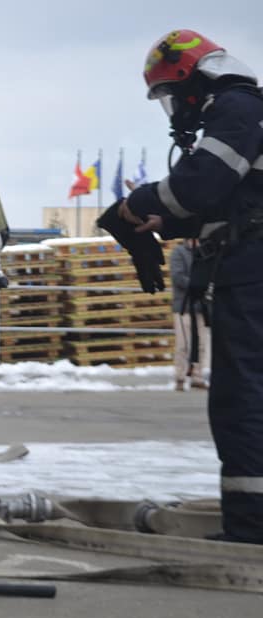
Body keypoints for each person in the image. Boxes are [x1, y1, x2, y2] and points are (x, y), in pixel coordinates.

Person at [117, 30, 263, 544]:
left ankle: (250, 527)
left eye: (172, 97)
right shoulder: (245, 109)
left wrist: (139, 201)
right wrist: (163, 222)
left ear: (191, 83)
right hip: (246, 262)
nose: (175, 110)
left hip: (252, 271)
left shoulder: (237, 108)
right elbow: (226, 204)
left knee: (242, 396)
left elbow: (201, 184)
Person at [169, 239, 210, 391]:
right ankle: (180, 377)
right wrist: (198, 285)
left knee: (201, 344)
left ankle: (197, 377)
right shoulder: (179, 253)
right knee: (183, 344)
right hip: (184, 306)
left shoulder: (205, 253)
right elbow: (177, 277)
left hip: (201, 307)